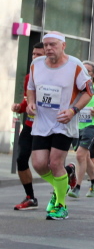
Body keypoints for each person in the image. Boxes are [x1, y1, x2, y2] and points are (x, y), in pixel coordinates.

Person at [26, 31, 94, 219]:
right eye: (46, 45)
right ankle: (63, 182)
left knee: (55, 163)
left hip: (64, 122)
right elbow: (31, 88)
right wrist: (30, 103)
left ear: (63, 46)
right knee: (39, 164)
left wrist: (73, 110)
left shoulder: (75, 65)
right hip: (42, 121)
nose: (48, 48)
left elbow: (89, 92)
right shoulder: (36, 64)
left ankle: (61, 206)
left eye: (53, 44)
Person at [67, 61, 94, 198]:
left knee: (80, 155)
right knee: (85, 156)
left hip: (92, 125)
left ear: (93, 75)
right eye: (81, 70)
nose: (84, 73)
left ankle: (77, 187)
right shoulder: (74, 89)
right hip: (76, 125)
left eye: (87, 71)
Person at [11, 42, 45, 210]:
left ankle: (69, 170)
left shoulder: (55, 76)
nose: (35, 57)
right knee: (21, 158)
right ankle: (30, 197)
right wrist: (20, 107)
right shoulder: (28, 77)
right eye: (33, 54)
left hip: (47, 127)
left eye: (39, 55)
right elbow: (28, 101)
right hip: (30, 124)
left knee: (46, 164)